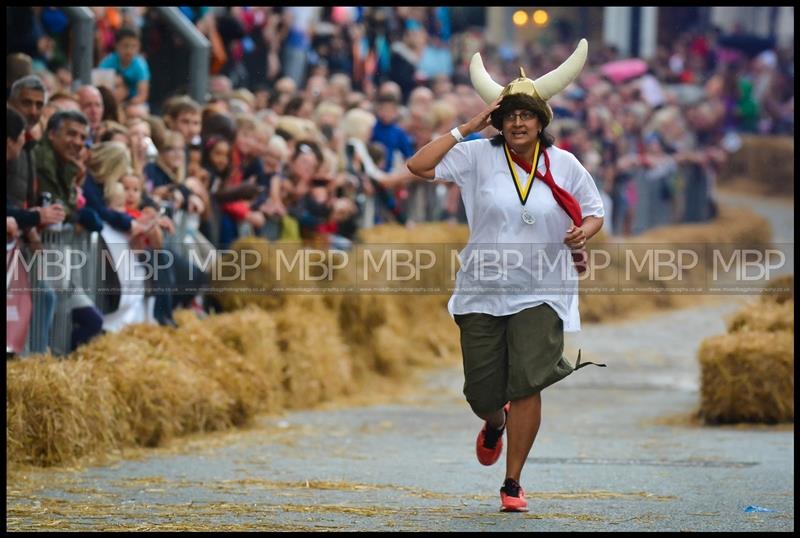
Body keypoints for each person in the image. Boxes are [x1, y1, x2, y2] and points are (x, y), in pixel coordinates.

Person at [407, 39, 606, 512]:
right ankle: (493, 423)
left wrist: (584, 232)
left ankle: (512, 482)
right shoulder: (477, 156)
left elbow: (594, 212)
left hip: (543, 289)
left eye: (527, 115)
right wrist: (466, 127)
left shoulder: (566, 164)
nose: (518, 123)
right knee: (482, 392)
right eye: (509, 115)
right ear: (498, 120)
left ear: (541, 121)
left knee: (528, 383)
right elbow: (418, 166)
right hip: (481, 288)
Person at [98, 26, 150, 105]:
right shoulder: (108, 62)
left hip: (132, 104)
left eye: (133, 46)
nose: (129, 51)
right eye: (125, 46)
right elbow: (99, 86)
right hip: (110, 101)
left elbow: (142, 95)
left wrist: (126, 105)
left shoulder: (140, 65)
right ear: (117, 46)